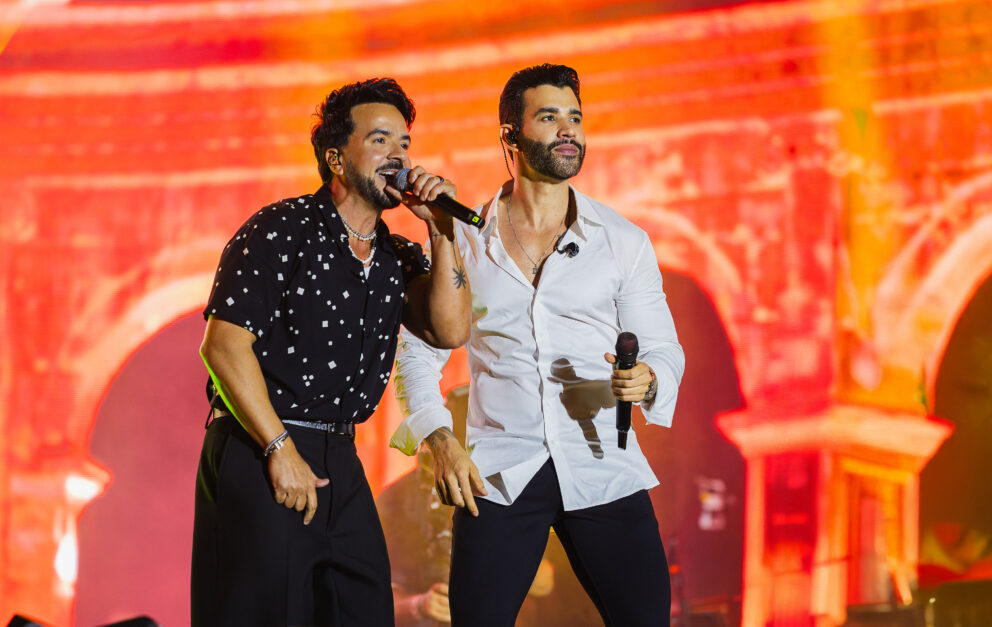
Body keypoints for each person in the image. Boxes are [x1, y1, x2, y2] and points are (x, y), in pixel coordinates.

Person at [390, 64, 685, 626]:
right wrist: (440, 440)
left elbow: (664, 348)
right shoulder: (463, 238)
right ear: (511, 136)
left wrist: (648, 377)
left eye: (575, 117)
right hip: (501, 472)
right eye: (549, 118)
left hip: (602, 463)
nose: (568, 130)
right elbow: (417, 354)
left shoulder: (622, 241)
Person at [191, 77, 470, 627]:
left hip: (340, 453)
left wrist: (442, 232)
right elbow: (223, 346)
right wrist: (278, 447)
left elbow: (450, 329)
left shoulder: (395, 255)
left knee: (361, 608)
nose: (399, 156)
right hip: (261, 443)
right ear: (336, 159)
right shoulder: (280, 229)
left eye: (405, 143)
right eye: (381, 140)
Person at [379, 386, 556, 626]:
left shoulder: (515, 486)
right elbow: (367, 599)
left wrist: (497, 560)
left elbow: (545, 582)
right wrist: (418, 605)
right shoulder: (395, 500)